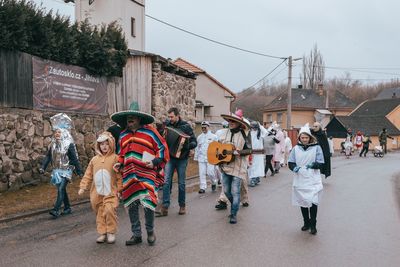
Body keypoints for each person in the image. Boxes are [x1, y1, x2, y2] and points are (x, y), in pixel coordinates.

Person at [111, 102, 169, 246]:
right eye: (128, 117)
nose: (130, 119)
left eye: (133, 117)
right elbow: (121, 153)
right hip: (129, 175)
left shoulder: (150, 132)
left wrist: (155, 162)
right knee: (132, 204)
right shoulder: (123, 135)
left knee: (148, 203)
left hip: (147, 173)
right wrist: (120, 162)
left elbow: (162, 148)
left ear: (139, 118)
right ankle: (136, 234)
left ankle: (150, 231)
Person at [78, 132, 122, 244]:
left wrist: (120, 189)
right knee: (99, 212)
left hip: (110, 192)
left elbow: (119, 176)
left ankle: (111, 232)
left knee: (109, 210)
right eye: (102, 144)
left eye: (107, 144)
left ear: (111, 144)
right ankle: (102, 232)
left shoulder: (115, 158)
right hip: (96, 193)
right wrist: (83, 187)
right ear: (98, 146)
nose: (104, 146)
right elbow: (88, 174)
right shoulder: (94, 160)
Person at [39, 113, 83, 218]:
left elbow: (74, 159)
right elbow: (48, 157)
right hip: (57, 171)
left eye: (59, 132)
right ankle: (67, 207)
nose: (57, 134)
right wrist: (42, 167)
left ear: (64, 133)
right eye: (56, 132)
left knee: (60, 189)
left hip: (67, 170)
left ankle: (56, 210)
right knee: (62, 190)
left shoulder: (69, 145)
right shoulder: (53, 145)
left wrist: (79, 171)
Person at [158, 107, 197, 216]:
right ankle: (165, 206)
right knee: (166, 181)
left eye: (172, 117)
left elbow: (194, 141)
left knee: (181, 183)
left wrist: (188, 146)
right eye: (169, 116)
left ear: (177, 116)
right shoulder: (167, 126)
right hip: (170, 158)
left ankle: (182, 205)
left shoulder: (186, 126)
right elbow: (162, 139)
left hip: (182, 158)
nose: (170, 118)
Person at [288, 123, 325, 235]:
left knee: (313, 202)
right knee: (303, 201)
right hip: (300, 178)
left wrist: (313, 165)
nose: (304, 139)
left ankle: (313, 224)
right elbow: (290, 162)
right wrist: (295, 168)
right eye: (302, 137)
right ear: (299, 138)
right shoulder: (295, 149)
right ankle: (306, 223)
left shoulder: (316, 148)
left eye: (306, 137)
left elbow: (321, 163)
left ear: (310, 138)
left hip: (313, 178)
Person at [217, 109, 252, 224]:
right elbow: (217, 147)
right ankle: (234, 205)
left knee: (235, 191)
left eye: (233, 121)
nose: (231, 122)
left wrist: (240, 152)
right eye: (230, 120)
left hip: (238, 166)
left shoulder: (244, 134)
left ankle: (233, 214)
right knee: (227, 191)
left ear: (239, 123)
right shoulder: (223, 133)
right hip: (225, 166)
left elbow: (249, 149)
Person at [194, 121, 218, 193]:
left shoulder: (214, 137)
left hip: (210, 158)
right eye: (202, 127)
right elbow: (197, 148)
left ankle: (213, 182)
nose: (203, 128)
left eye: (205, 127)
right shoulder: (199, 137)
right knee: (202, 173)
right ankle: (202, 187)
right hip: (201, 158)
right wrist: (196, 157)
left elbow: (217, 148)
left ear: (208, 127)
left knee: (210, 172)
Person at [248, 121, 264, 187]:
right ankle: (256, 179)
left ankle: (254, 180)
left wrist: (260, 126)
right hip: (251, 152)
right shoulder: (249, 133)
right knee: (252, 167)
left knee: (256, 167)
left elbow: (266, 133)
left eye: (254, 127)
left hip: (258, 153)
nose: (253, 128)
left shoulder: (260, 133)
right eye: (252, 127)